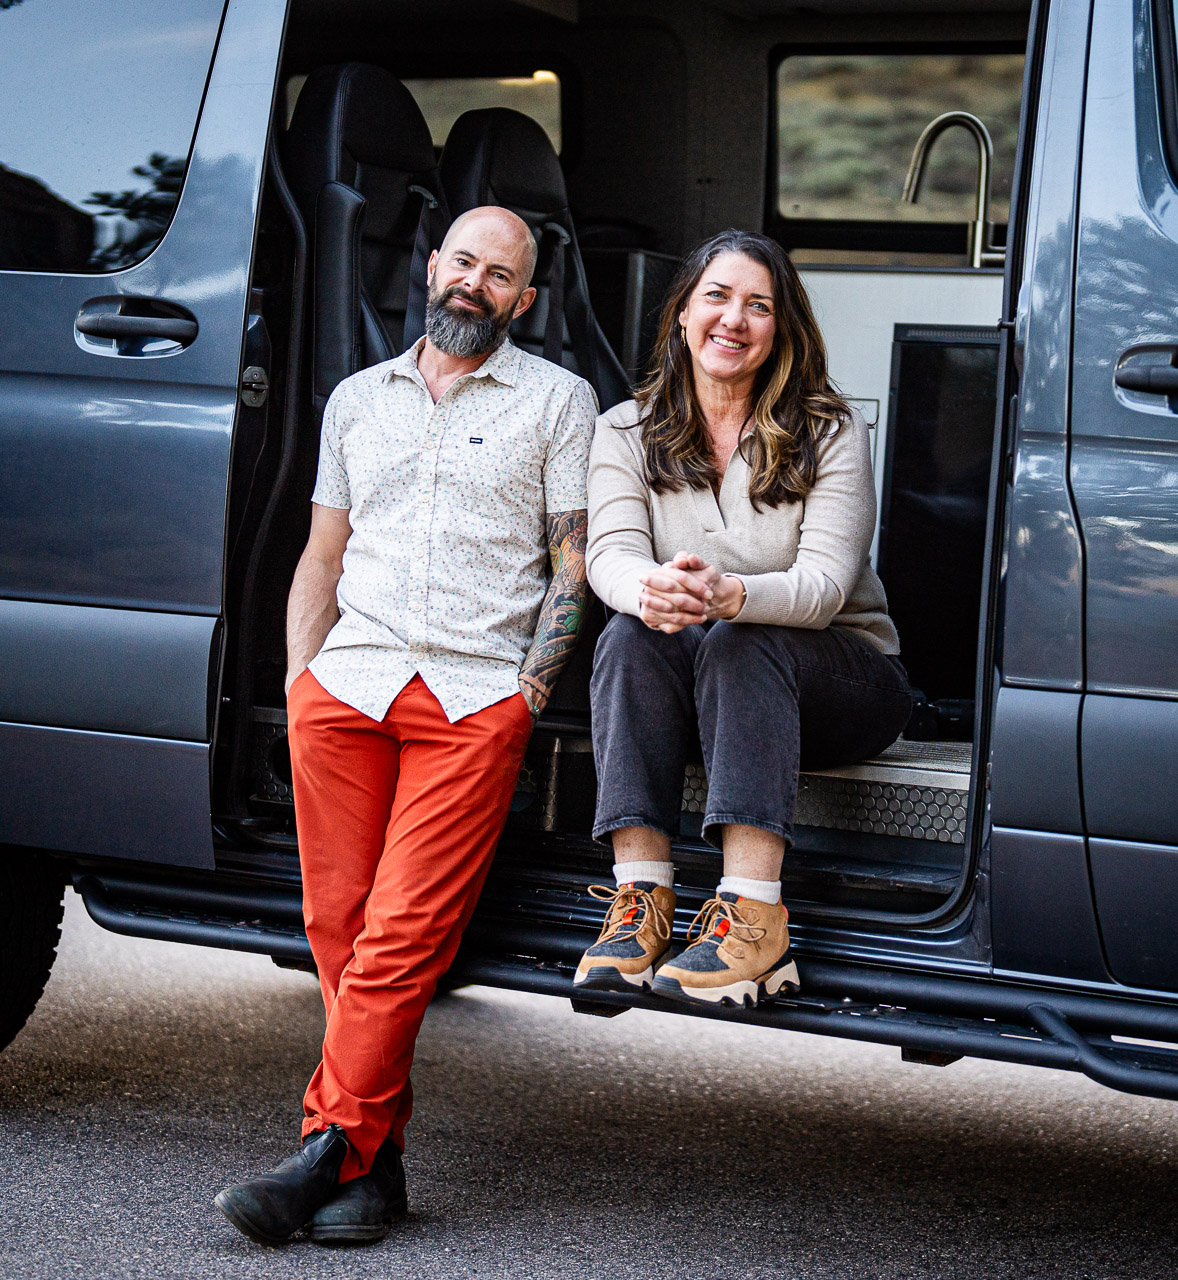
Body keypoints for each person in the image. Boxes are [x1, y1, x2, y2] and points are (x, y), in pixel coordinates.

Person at [216, 206, 597, 1246]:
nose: (476, 282)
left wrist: (525, 695)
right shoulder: (356, 400)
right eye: (463, 261)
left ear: (525, 298)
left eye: (500, 274)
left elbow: (572, 563)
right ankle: (371, 1171)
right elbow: (322, 553)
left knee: (399, 935)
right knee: (336, 926)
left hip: (474, 697)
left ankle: (322, 1151)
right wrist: (301, 679)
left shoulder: (558, 401)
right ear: (432, 268)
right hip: (346, 687)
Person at [575, 229, 912, 1008]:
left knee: (742, 640)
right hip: (711, 687)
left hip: (844, 681)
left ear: (781, 328)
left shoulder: (831, 429)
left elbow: (824, 588)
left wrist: (732, 597)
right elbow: (611, 556)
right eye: (717, 298)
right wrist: (653, 590)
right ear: (683, 314)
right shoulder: (624, 430)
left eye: (759, 305)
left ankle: (756, 917)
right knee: (628, 633)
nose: (734, 319)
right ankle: (640, 900)